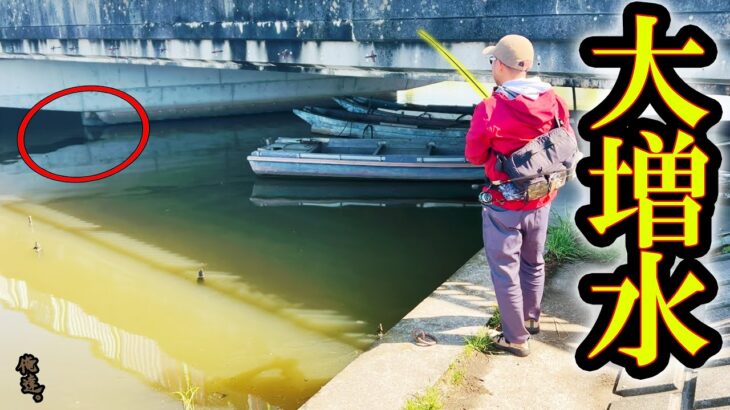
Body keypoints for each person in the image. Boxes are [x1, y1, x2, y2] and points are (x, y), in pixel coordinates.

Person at [465, 34, 574, 357]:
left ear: (499, 64)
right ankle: (531, 318)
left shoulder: (490, 108)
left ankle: (515, 338)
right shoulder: (553, 99)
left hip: (505, 203)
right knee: (533, 262)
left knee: (505, 269)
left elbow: (473, 155)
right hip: (542, 196)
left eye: (492, 61)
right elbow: (563, 137)